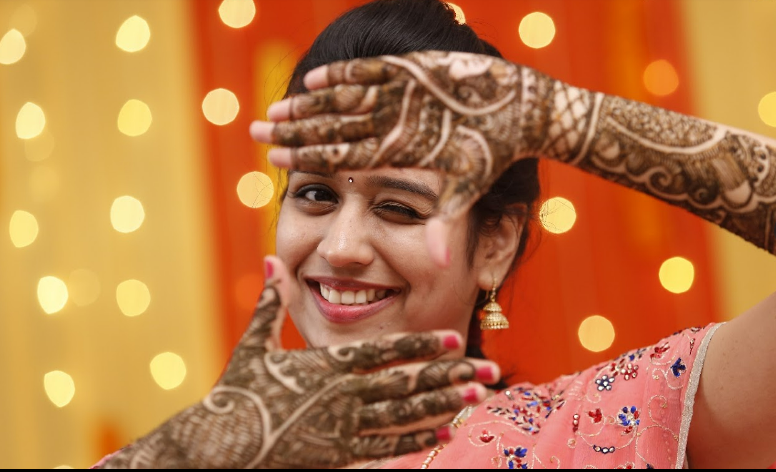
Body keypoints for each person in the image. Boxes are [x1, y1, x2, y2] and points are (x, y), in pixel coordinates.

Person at [95, 0, 776, 468]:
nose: (340, 247)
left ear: (494, 245)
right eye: (316, 194)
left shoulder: (589, 431)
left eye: (399, 207)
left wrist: (556, 117)